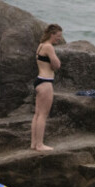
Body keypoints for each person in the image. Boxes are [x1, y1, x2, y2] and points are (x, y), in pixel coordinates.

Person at [30, 24, 62, 152]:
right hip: (46, 82)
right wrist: (56, 63)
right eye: (58, 36)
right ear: (52, 34)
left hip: (39, 80)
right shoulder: (49, 47)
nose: (59, 39)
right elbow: (57, 65)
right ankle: (39, 145)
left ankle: (34, 143)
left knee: (37, 114)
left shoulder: (41, 45)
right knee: (43, 115)